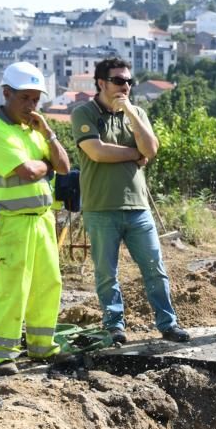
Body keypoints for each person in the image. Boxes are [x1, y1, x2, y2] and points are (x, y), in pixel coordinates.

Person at [71, 57, 189, 345]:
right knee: (106, 273)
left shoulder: (136, 112)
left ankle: (168, 323)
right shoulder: (83, 113)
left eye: (129, 81)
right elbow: (96, 152)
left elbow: (151, 148)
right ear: (101, 82)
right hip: (101, 207)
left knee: (155, 269)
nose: (126, 85)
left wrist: (132, 116)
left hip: (138, 207)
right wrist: (134, 154)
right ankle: (114, 326)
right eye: (119, 80)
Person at [0, 61, 71, 376]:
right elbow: (29, 172)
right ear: (6, 93)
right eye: (25, 98)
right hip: (11, 222)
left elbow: (65, 166)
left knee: (48, 283)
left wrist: (49, 134)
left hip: (42, 219)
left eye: (36, 99)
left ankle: (43, 345)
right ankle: (2, 354)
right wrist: (45, 161)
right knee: (12, 288)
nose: (31, 106)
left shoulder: (33, 129)